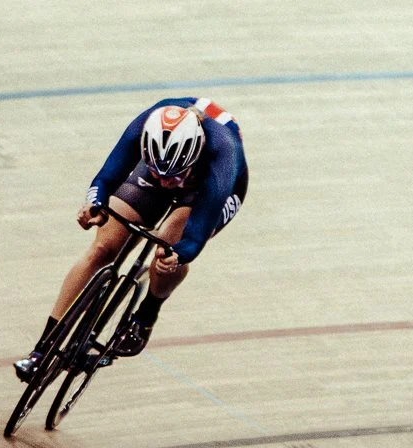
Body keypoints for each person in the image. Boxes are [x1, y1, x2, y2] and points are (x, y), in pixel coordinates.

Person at [14, 95, 247, 381]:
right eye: (158, 174)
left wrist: (180, 253)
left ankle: (148, 312)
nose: (164, 183)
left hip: (211, 188)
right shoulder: (144, 126)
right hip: (165, 160)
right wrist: (93, 205)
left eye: (170, 177)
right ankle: (42, 350)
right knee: (102, 248)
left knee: (167, 247)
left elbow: (197, 232)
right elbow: (106, 178)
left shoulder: (223, 151)